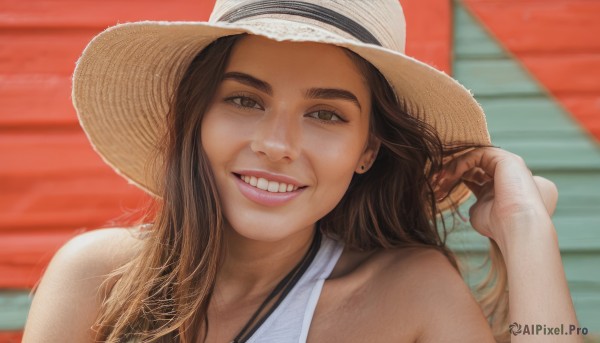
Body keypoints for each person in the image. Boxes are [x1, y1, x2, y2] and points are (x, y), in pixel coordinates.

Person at [23, 0, 580, 342]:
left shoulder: (411, 295)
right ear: (195, 118)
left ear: (367, 150)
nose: (277, 145)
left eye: (325, 114)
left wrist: (525, 227)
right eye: (245, 101)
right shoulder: (98, 279)